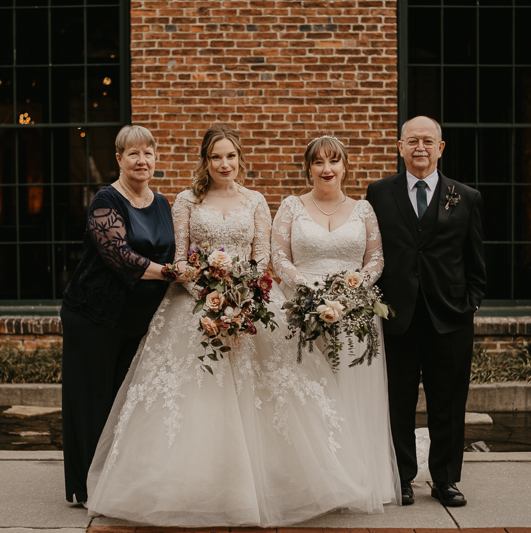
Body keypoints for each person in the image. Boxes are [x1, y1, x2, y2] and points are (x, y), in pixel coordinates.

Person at [85, 124, 372, 526]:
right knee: (193, 397)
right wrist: (207, 294)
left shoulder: (256, 201)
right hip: (194, 304)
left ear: (240, 159)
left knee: (272, 400)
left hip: (251, 305)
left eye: (231, 156)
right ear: (206, 160)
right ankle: (188, 486)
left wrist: (244, 296)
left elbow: (261, 258)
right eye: (216, 156)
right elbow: (180, 257)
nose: (224, 164)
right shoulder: (186, 200)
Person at [271, 135, 401, 510]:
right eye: (318, 162)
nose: (327, 169)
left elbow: (375, 260)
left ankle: (355, 477)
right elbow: (279, 258)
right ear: (308, 168)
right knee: (308, 395)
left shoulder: (363, 210)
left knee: (350, 394)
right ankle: (310, 481)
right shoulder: (291, 207)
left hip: (354, 314)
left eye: (334, 161)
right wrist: (307, 288)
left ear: (345, 166)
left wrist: (354, 290)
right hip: (302, 312)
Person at [366, 116, 486, 507]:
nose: (420, 147)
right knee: (397, 400)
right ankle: (400, 477)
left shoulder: (465, 196)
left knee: (449, 403)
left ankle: (446, 480)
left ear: (441, 147)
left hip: (449, 318)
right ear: (400, 147)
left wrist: (470, 304)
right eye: (412, 140)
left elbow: (476, 262)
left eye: (428, 141)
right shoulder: (379, 193)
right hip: (397, 316)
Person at [60, 125, 176, 506]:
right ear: (119, 159)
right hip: (95, 316)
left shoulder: (162, 204)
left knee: (127, 402)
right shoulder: (105, 201)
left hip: (137, 322)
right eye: (133, 154)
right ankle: (86, 488)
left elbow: (175, 252)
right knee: (93, 401)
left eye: (148, 153)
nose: (142, 161)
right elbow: (118, 256)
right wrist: (167, 272)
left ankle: (119, 482)